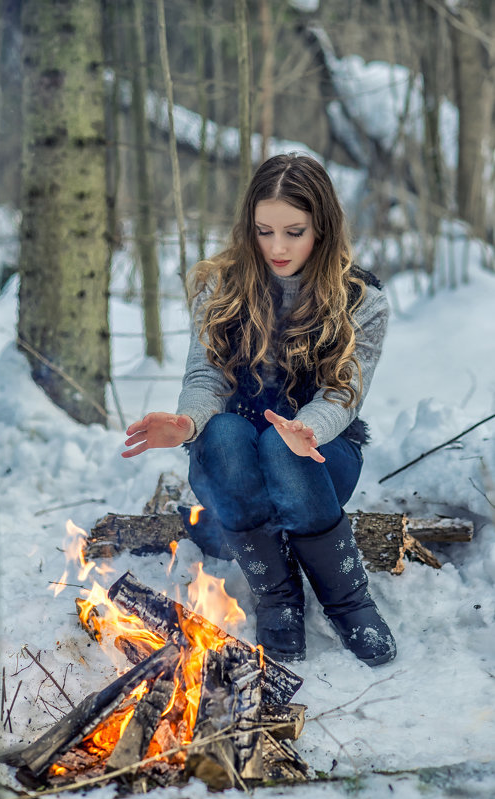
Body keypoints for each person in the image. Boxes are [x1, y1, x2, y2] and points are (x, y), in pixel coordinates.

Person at [122, 153, 396, 667]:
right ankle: (279, 599)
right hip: (234, 471)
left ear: (323, 227)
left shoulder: (363, 299)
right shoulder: (218, 284)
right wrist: (187, 423)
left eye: (294, 231)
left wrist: (306, 430)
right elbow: (206, 378)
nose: (277, 247)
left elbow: (343, 393)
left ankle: (348, 600)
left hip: (315, 461)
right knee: (223, 434)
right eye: (264, 231)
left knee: (280, 444)